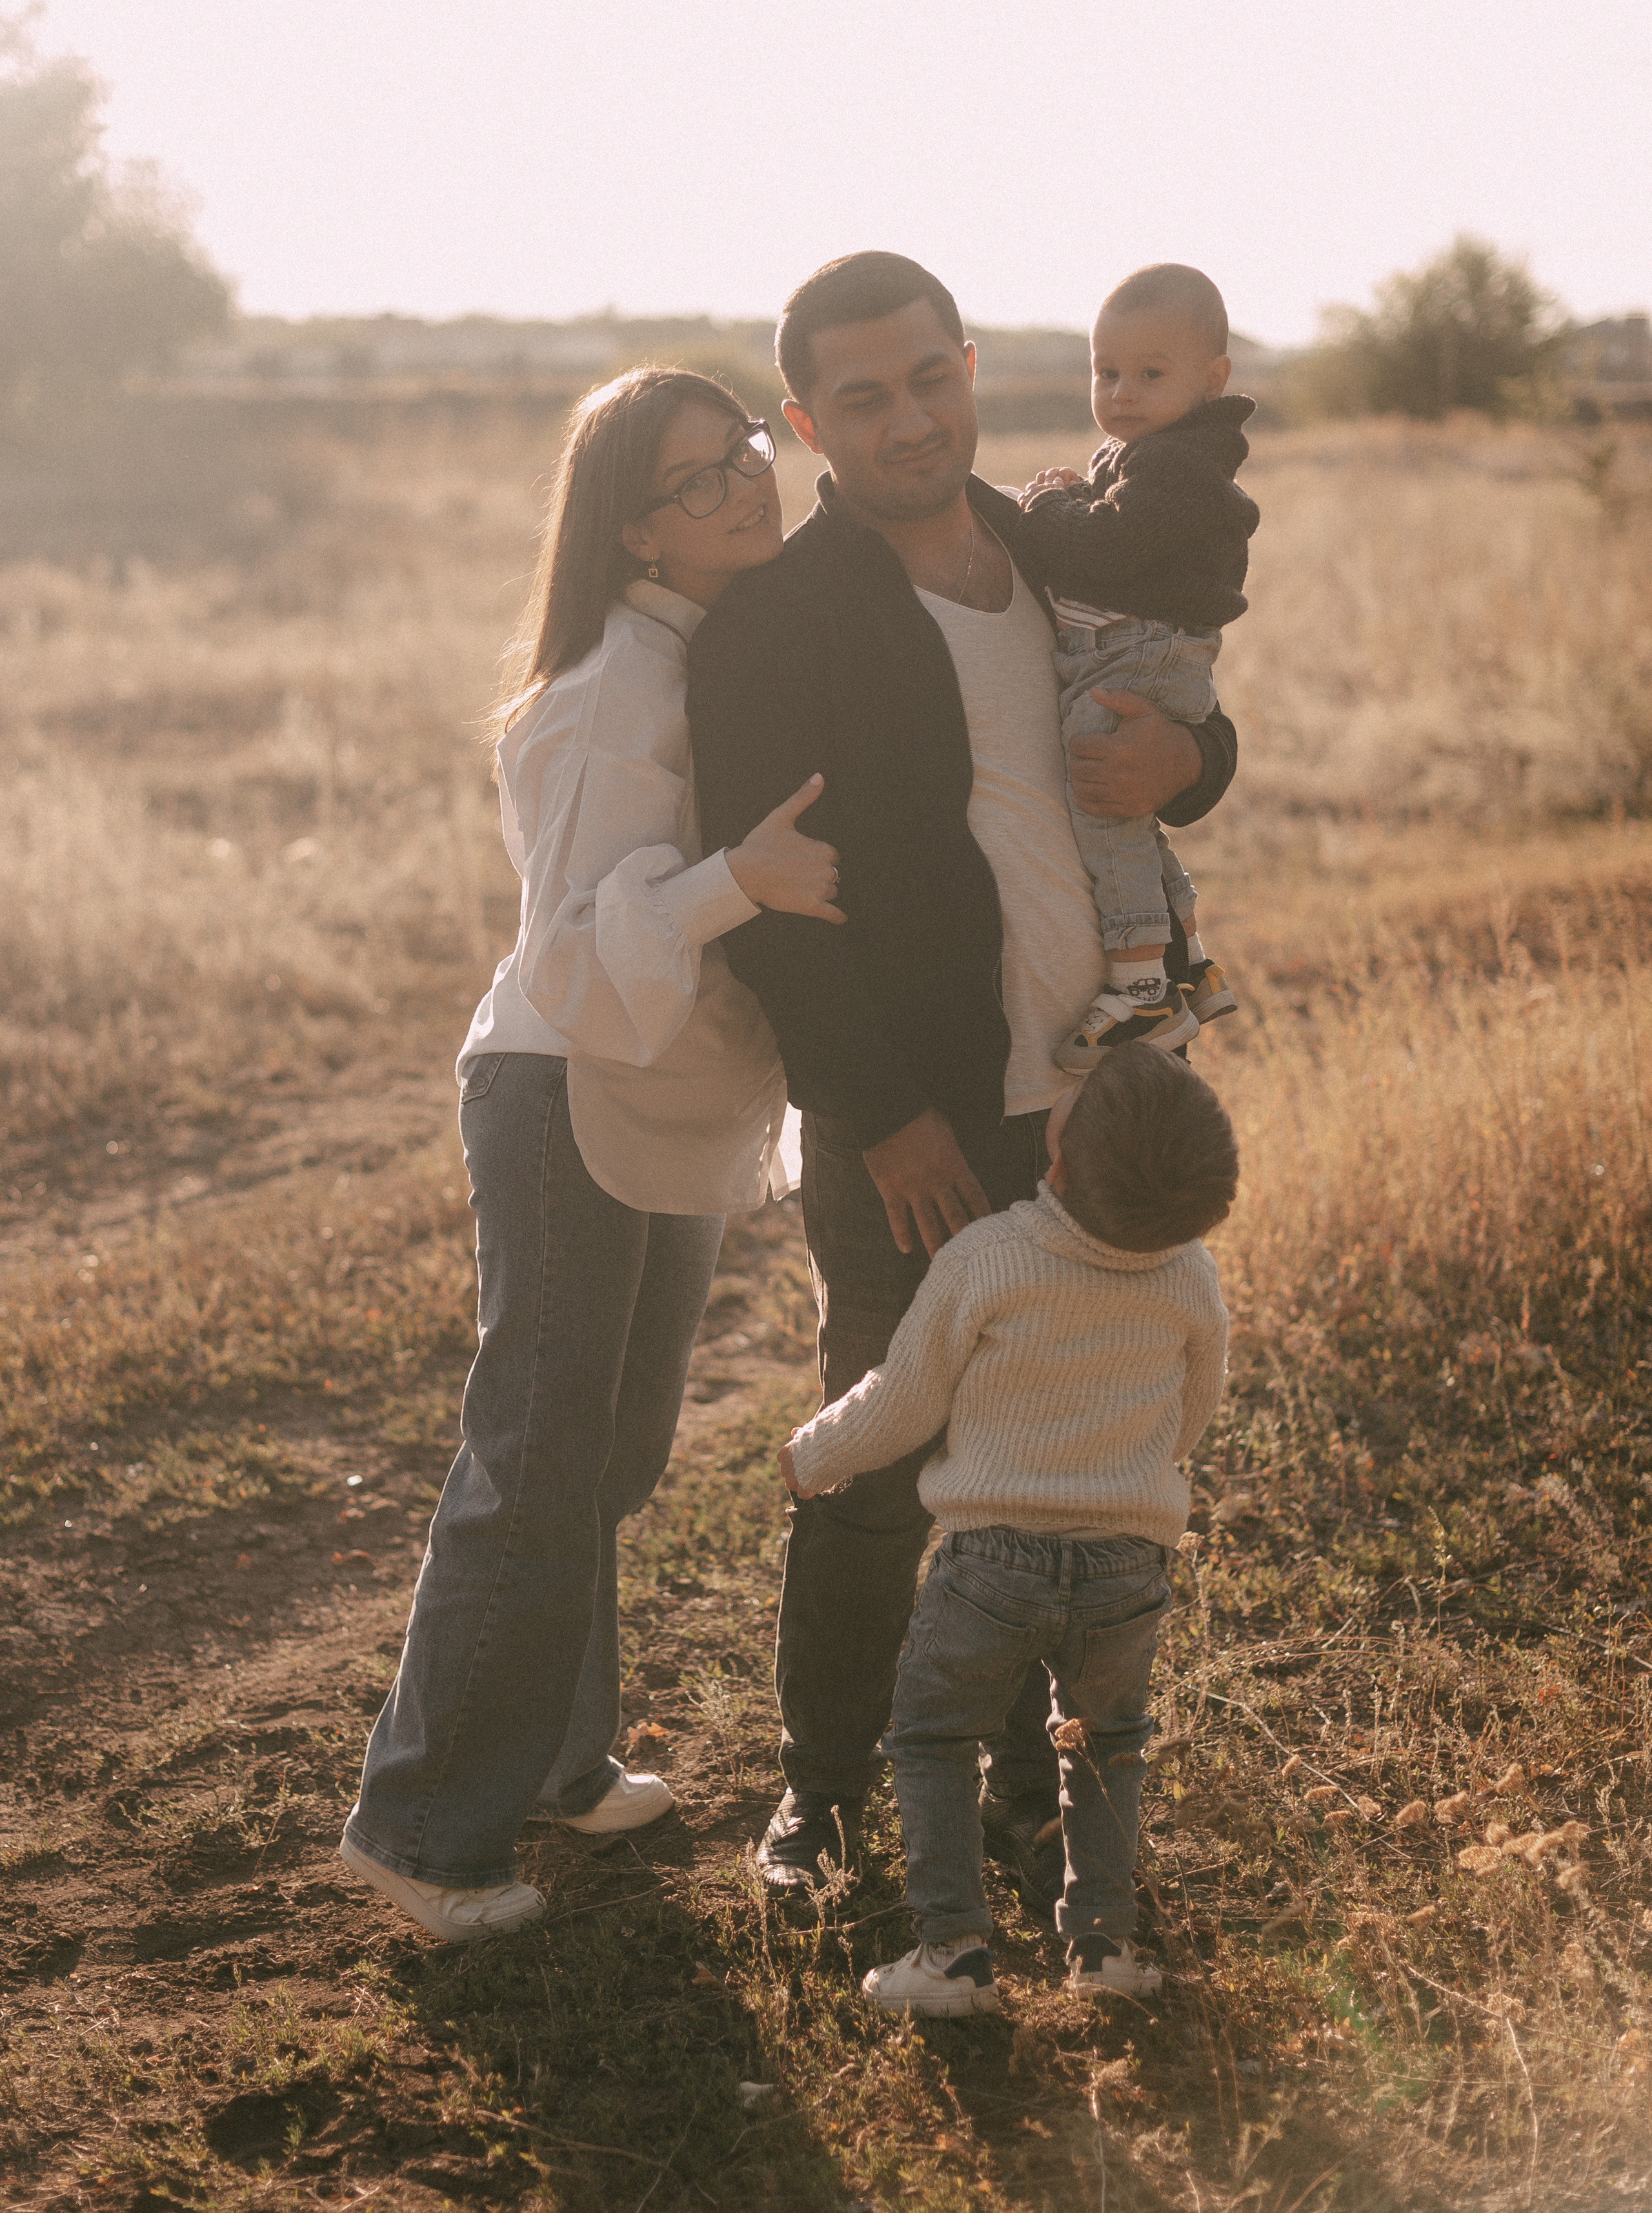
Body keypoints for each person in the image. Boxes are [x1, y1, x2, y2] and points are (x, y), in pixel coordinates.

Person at [686, 252, 1237, 1912]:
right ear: (806, 424)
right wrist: (884, 1114)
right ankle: (825, 1790)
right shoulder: (773, 622)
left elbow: (1173, 716)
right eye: (860, 396)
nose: (907, 415)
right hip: (909, 1118)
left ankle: (1020, 1787)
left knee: (1060, 1461)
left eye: (929, 376)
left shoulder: (1069, 539)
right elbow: (780, 913)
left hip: (1098, 1093)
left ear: (971, 365)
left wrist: (1194, 763)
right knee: (875, 1456)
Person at [339, 369, 843, 1940]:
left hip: (650, 1084)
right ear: (630, 525)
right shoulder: (614, 681)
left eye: (745, 452)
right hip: (564, 1091)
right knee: (539, 1458)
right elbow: (564, 950)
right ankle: (422, 1828)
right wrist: (734, 881)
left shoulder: (704, 644)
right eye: (697, 478)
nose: (744, 485)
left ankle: (553, 1758)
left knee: (610, 1457)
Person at [778, 1045, 1236, 2016]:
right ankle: (1103, 1944)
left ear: (1055, 1162)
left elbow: (903, 1400)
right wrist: (1127, 1470)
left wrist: (816, 1454)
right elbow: (1193, 1409)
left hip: (992, 1565)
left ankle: (952, 1950)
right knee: (1107, 1744)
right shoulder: (1189, 1275)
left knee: (934, 1738)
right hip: (1126, 1568)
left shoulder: (986, 1257)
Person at [1016, 263, 1257, 1071]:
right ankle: (1184, 950)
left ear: (1211, 379)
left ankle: (1139, 988)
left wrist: (1048, 506)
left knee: (1103, 802)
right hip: (1142, 649)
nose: (1122, 392)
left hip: (1140, 654)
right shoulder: (1143, 453)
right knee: (1131, 817)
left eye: (1150, 375)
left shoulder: (1177, 466)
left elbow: (1103, 547)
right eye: (1106, 372)